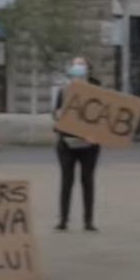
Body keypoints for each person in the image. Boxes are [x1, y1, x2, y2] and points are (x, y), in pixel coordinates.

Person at [53, 56, 101, 232]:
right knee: (67, 181)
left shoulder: (96, 90)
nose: (78, 67)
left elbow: (102, 117)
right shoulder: (64, 91)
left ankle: (88, 220)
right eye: (75, 64)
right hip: (66, 143)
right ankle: (63, 219)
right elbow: (56, 113)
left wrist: (95, 135)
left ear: (88, 68)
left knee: (87, 181)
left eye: (81, 64)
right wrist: (58, 117)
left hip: (89, 145)